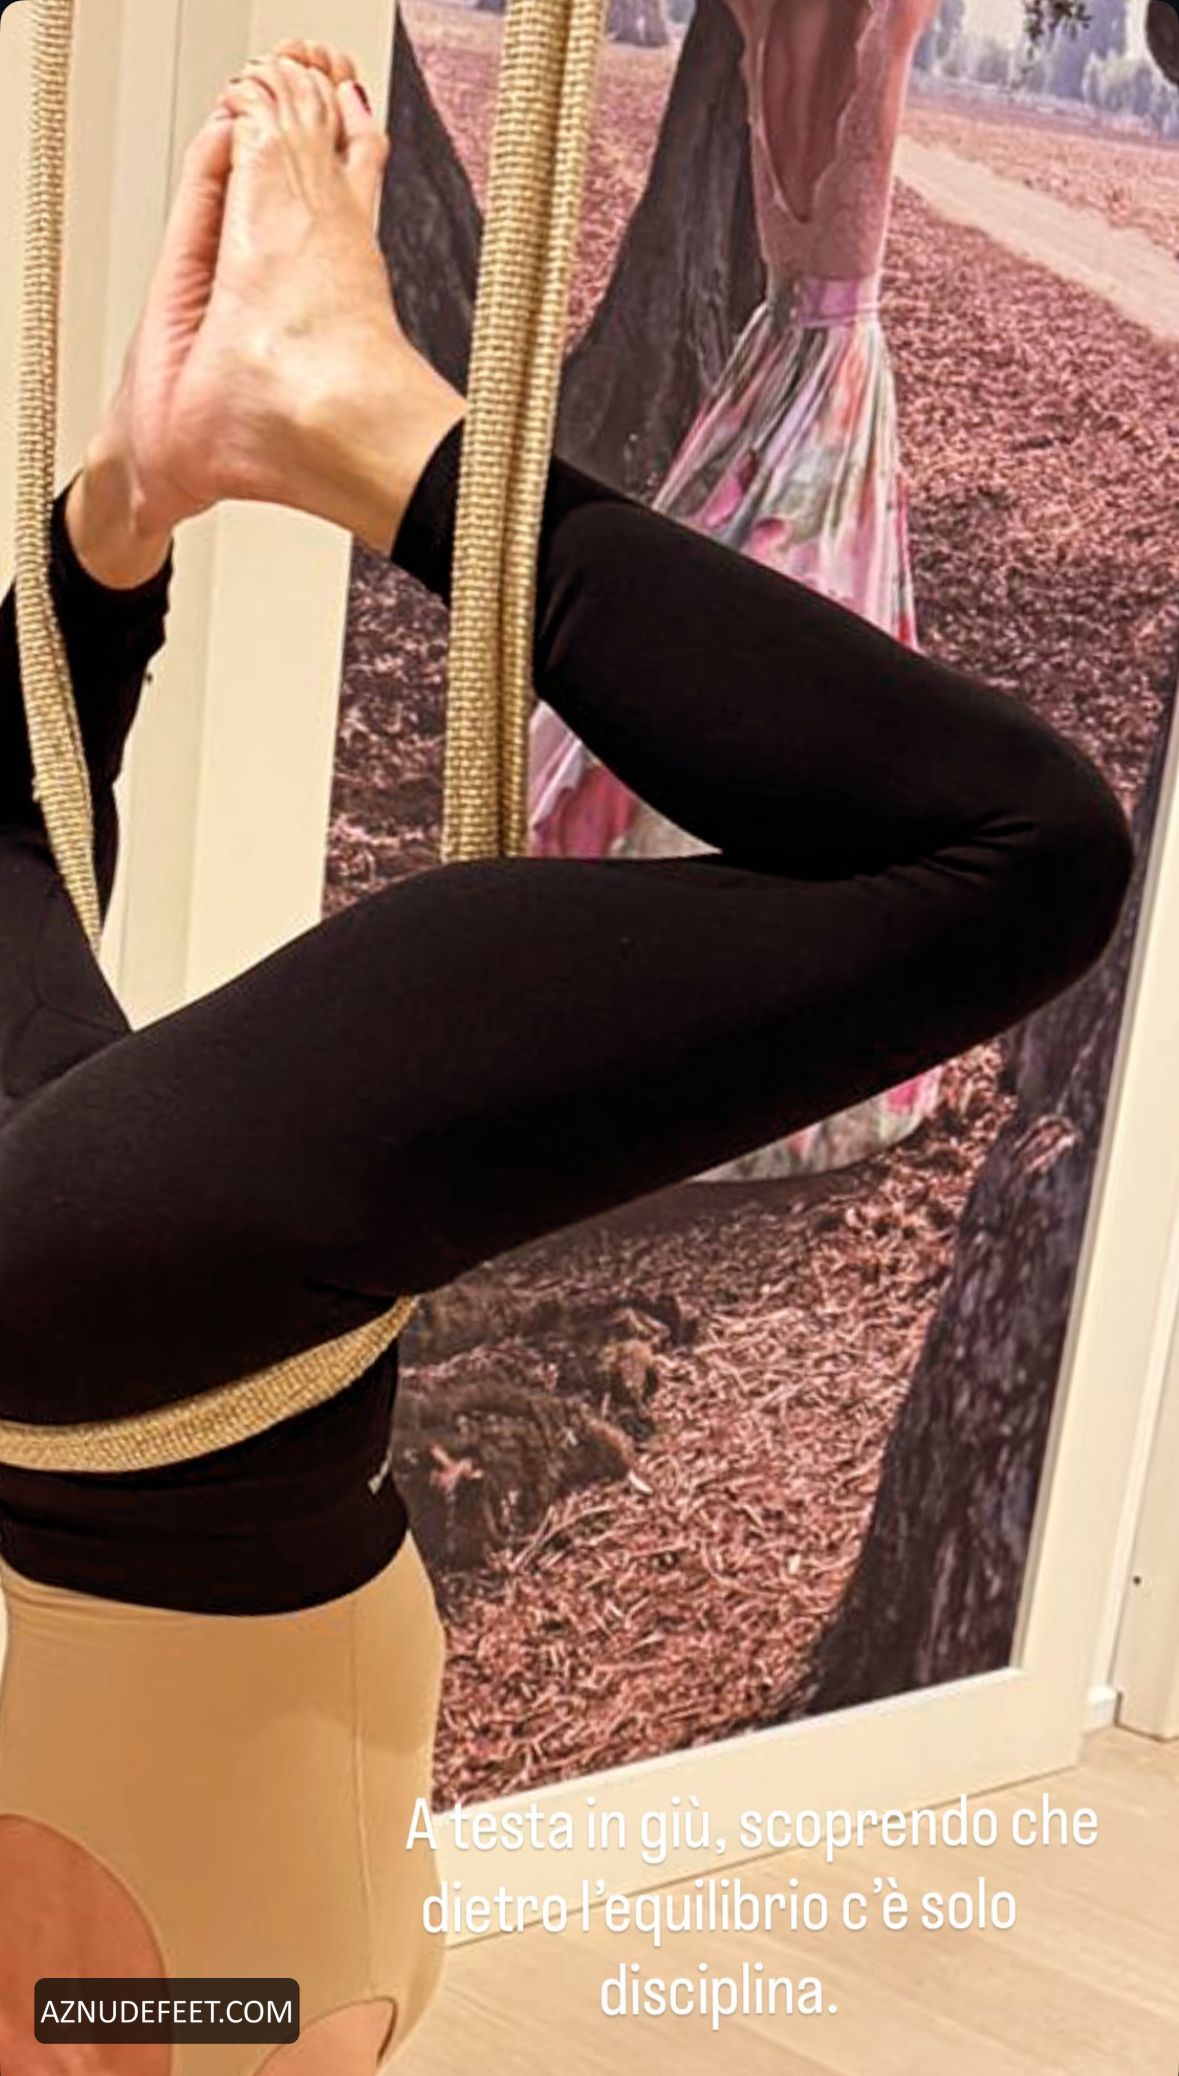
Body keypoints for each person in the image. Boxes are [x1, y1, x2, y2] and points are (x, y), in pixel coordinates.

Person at [0, 39, 1133, 2076]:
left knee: (1008, 858)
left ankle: (342, 437)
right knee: (1006, 858)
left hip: (98, 1352)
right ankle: (188, 477)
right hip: (99, 1383)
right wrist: (116, 530)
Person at [530, 0, 947, 1178]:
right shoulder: (881, 14)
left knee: (745, 595)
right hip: (826, 365)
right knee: (801, 618)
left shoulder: (765, 14)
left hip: (786, 354)